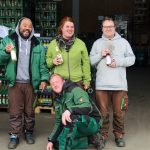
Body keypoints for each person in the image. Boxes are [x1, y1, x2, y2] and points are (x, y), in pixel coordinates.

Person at [0, 17, 50, 149]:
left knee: (29, 111)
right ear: (18, 26)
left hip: (31, 84)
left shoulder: (37, 43)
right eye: (24, 25)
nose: (27, 28)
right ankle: (14, 135)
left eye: (30, 26)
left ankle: (29, 132)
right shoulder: (9, 40)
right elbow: (0, 59)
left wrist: (44, 79)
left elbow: (43, 64)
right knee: (15, 111)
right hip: (14, 83)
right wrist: (6, 51)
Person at [90, 17, 135, 148]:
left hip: (119, 85)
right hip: (101, 85)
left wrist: (119, 62)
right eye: (106, 27)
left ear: (115, 28)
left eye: (111, 26)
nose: (108, 29)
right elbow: (90, 61)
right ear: (102, 29)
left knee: (119, 112)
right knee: (102, 113)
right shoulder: (97, 43)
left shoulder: (124, 42)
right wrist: (100, 55)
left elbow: (132, 58)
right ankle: (102, 136)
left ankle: (119, 135)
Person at [46, 74, 103, 150]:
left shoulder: (75, 90)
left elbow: (88, 107)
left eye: (57, 82)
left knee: (70, 118)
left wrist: (70, 110)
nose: (55, 85)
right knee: (56, 143)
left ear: (63, 81)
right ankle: (89, 139)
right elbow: (59, 121)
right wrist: (51, 140)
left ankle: (65, 148)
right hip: (77, 123)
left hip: (93, 122)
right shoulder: (57, 99)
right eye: (52, 84)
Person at [46, 16, 91, 90]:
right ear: (61, 28)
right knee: (60, 102)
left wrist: (87, 81)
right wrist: (53, 61)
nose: (70, 29)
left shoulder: (80, 44)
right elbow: (47, 61)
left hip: (77, 83)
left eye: (72, 27)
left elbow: (86, 63)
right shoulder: (53, 44)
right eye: (67, 26)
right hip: (59, 83)